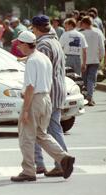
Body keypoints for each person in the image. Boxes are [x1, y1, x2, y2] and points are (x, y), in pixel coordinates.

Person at [10, 31, 75, 182]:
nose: (18, 46)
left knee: (26, 136)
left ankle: (28, 171)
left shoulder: (32, 61)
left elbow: (31, 87)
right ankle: (63, 158)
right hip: (46, 99)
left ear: (26, 44)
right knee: (40, 134)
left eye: (19, 43)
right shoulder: (43, 58)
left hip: (35, 99)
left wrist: (25, 110)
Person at [31, 15, 69, 177]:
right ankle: (42, 163)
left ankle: (63, 162)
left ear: (36, 28)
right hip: (58, 89)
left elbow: (42, 69)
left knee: (47, 130)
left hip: (49, 92)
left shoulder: (44, 44)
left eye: (32, 28)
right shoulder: (54, 41)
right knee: (44, 130)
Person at [80, 16, 105, 106]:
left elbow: (80, 48)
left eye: (82, 23)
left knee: (85, 79)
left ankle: (87, 96)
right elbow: (102, 46)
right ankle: (90, 97)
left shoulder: (81, 33)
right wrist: (101, 57)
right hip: (95, 59)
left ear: (85, 23)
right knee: (91, 79)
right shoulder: (98, 32)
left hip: (84, 60)